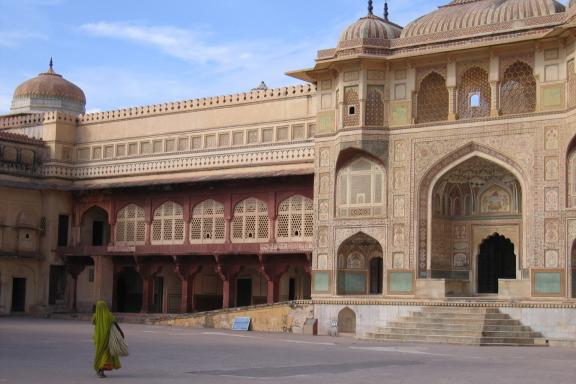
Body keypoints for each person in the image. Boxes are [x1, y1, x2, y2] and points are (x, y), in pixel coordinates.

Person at [92, 301, 122, 378]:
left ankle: (99, 369)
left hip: (98, 338)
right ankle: (100, 371)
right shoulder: (109, 315)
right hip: (107, 338)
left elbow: (93, 322)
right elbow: (115, 324)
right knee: (106, 355)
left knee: (100, 353)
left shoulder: (95, 316)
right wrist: (121, 332)